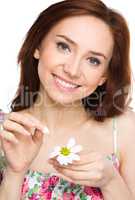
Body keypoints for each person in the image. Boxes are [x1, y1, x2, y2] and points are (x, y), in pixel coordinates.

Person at [0, 0, 135, 199]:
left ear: (103, 77)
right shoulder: (7, 133)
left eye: (93, 60)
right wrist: (15, 173)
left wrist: (110, 182)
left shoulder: (125, 130)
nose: (72, 70)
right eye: (64, 46)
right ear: (38, 45)